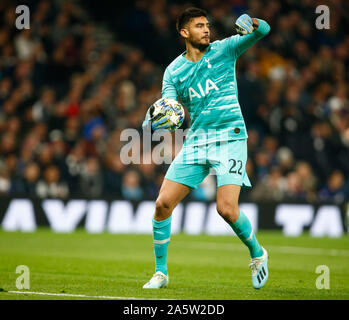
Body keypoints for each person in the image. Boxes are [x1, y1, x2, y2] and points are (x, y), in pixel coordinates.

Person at [142, 8, 270, 289]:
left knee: (226, 209)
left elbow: (264, 31)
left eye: (207, 25)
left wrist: (252, 21)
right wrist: (159, 117)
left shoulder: (225, 49)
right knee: (163, 204)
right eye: (199, 26)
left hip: (231, 138)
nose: (206, 29)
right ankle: (161, 273)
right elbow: (170, 106)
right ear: (184, 33)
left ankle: (258, 253)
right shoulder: (173, 71)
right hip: (197, 141)